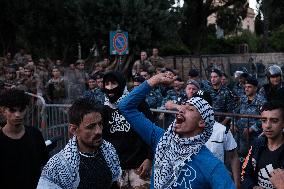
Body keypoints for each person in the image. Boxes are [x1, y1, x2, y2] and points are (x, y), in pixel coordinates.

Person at [118, 73, 235, 189]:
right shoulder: (162, 140)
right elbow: (125, 106)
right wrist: (155, 80)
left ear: (202, 122)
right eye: (183, 105)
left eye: (190, 109)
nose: (182, 109)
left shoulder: (211, 165)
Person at [37, 98, 121, 188]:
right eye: (91, 127)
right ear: (74, 130)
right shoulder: (57, 166)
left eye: (100, 123)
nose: (99, 131)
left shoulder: (109, 150)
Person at [102, 71, 153, 188]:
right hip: (116, 169)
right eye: (107, 84)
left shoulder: (137, 104)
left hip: (139, 167)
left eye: (114, 83)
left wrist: (149, 158)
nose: (110, 88)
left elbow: (151, 132)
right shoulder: (104, 109)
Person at [0, 89, 49, 188]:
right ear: (3, 111)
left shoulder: (35, 134)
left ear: (26, 109)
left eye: (21, 110)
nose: (17, 115)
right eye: (12, 110)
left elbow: (45, 163)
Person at [241, 100, 284, 189]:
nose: (268, 125)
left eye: (274, 121)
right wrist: (252, 187)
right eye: (264, 120)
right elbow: (245, 173)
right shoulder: (257, 144)